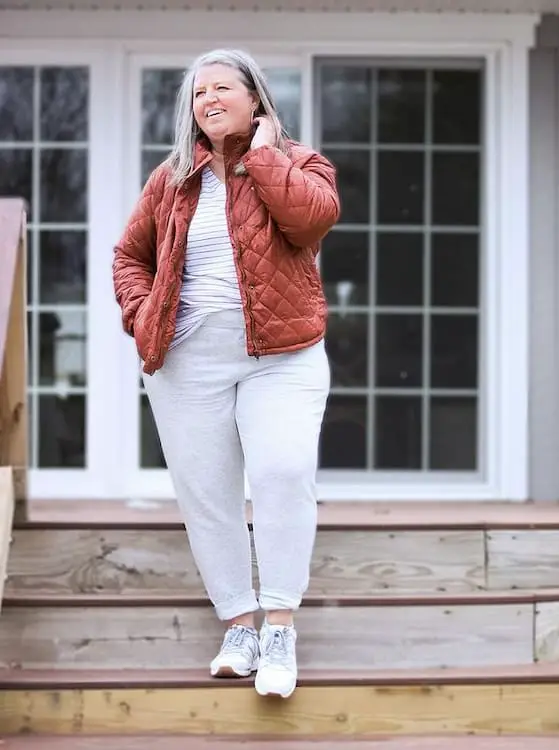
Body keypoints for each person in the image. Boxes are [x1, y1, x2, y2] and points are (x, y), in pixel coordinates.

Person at [112, 49, 340, 699]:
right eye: (196, 92)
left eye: (221, 87)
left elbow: (311, 219)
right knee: (207, 495)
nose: (206, 98)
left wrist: (263, 156)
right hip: (187, 359)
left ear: (255, 98)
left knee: (282, 471)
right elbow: (131, 255)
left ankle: (280, 627)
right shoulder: (172, 179)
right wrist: (141, 313)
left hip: (282, 355)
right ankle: (238, 624)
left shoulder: (299, 163)